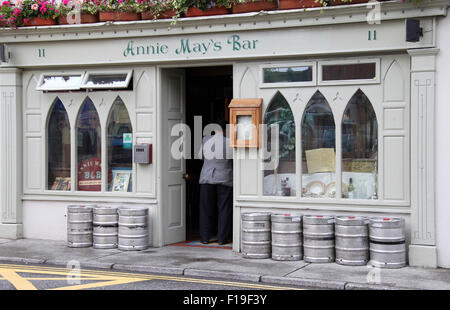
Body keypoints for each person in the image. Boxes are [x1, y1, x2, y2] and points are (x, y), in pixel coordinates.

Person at [198, 119, 233, 245]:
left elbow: (201, 157)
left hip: (207, 177)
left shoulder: (206, 140)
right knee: (224, 208)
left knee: (206, 209)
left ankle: (205, 237)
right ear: (225, 130)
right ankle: (222, 239)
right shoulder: (230, 142)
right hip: (224, 177)